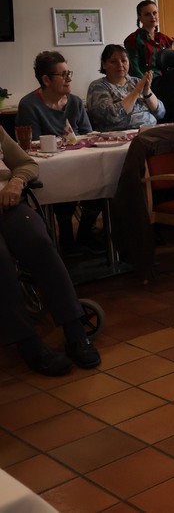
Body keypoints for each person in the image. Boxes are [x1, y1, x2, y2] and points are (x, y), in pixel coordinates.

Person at [0, 128, 101, 375]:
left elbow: (26, 163)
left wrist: (16, 181)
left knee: (39, 242)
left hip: (7, 202)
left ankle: (75, 330)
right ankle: (28, 342)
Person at [16, 51, 101, 253]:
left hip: (79, 162)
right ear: (46, 80)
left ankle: (85, 232)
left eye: (68, 73)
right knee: (64, 179)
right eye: (62, 75)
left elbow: (87, 135)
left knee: (101, 176)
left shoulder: (75, 102)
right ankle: (65, 235)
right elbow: (34, 145)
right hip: (50, 167)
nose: (69, 79)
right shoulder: (29, 105)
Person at [86, 44, 165, 130]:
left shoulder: (136, 81)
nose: (120, 65)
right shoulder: (98, 86)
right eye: (113, 61)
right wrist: (137, 91)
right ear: (104, 64)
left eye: (124, 60)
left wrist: (147, 93)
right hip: (120, 135)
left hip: (151, 130)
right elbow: (109, 118)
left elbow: (161, 113)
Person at [124, 0, 174, 79]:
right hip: (145, 81)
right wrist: (146, 83)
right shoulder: (133, 39)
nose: (152, 17)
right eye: (147, 14)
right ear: (140, 17)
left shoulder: (164, 39)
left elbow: (171, 63)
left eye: (155, 13)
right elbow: (134, 69)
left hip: (167, 80)